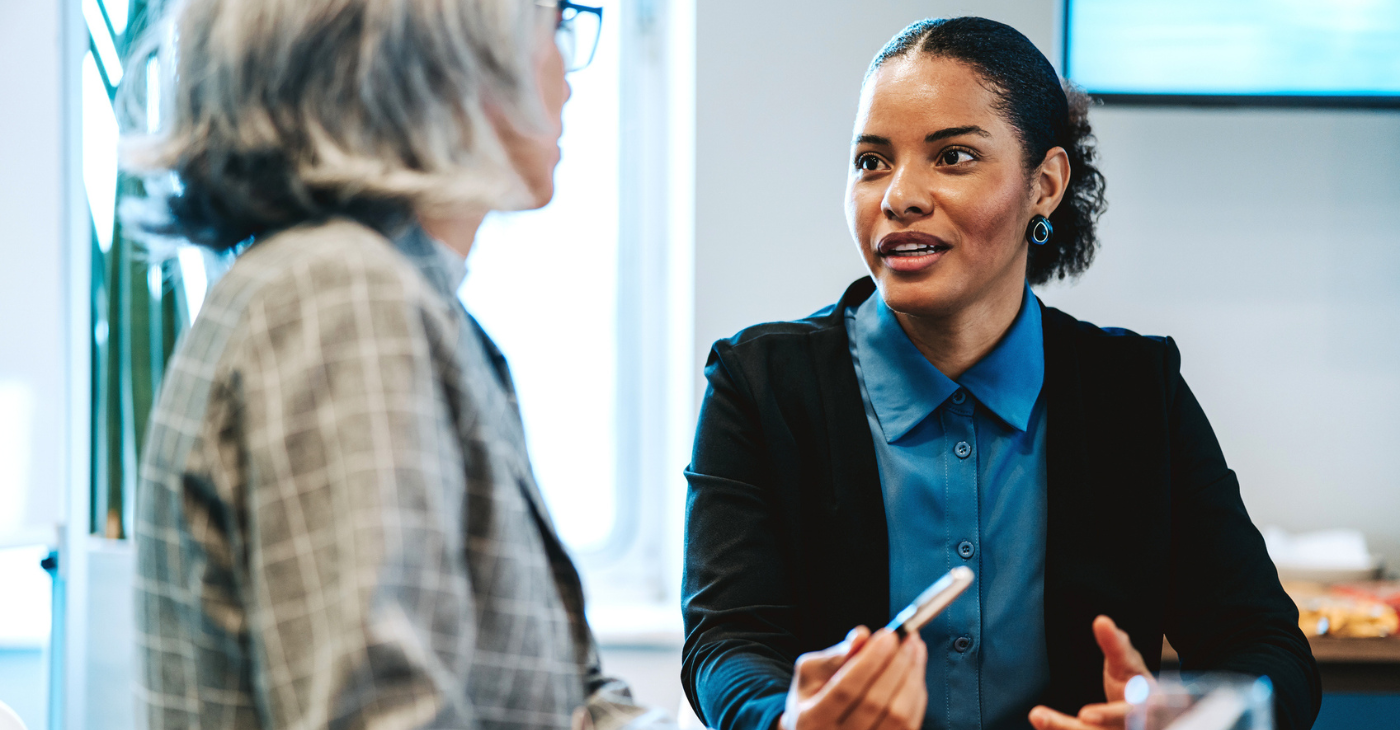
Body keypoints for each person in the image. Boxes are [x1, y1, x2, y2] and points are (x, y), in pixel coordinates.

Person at [681, 17, 1320, 730]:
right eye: (871, 161)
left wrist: (1191, 719)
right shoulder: (758, 386)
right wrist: (789, 720)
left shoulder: (1138, 392)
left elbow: (1265, 648)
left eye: (952, 156)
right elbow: (726, 645)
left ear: (1044, 184)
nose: (898, 196)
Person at [124, 1, 661, 729]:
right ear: (444, 44)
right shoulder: (342, 297)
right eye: (553, 21)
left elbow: (565, 707)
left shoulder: (396, 302)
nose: (567, 70)